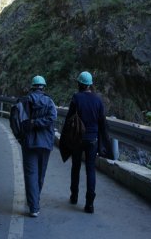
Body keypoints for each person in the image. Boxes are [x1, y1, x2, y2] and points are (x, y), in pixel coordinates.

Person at [63, 71, 111, 214]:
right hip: (92, 140)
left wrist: (65, 139)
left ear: (79, 84)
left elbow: (69, 119)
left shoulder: (76, 97)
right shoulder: (98, 100)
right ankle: (89, 204)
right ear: (90, 84)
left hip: (78, 139)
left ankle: (74, 196)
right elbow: (102, 122)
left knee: (75, 167)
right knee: (90, 170)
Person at [20, 75, 57, 217]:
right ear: (43, 87)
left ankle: (33, 206)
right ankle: (35, 199)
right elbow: (52, 118)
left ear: (33, 86)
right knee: (40, 173)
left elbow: (19, 120)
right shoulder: (49, 102)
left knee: (30, 173)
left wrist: (33, 123)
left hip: (29, 142)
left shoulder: (25, 101)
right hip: (45, 143)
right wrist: (39, 123)